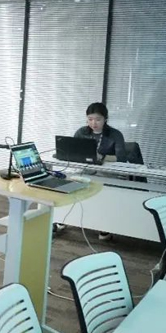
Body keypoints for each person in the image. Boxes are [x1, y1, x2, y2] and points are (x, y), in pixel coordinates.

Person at [72, 102, 127, 241]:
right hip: (87, 171)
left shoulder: (115, 134)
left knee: (105, 193)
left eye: (98, 119)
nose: (93, 123)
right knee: (69, 184)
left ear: (105, 119)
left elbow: (121, 158)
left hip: (108, 173)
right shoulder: (81, 132)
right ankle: (65, 219)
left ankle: (104, 226)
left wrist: (101, 157)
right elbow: (73, 150)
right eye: (90, 119)